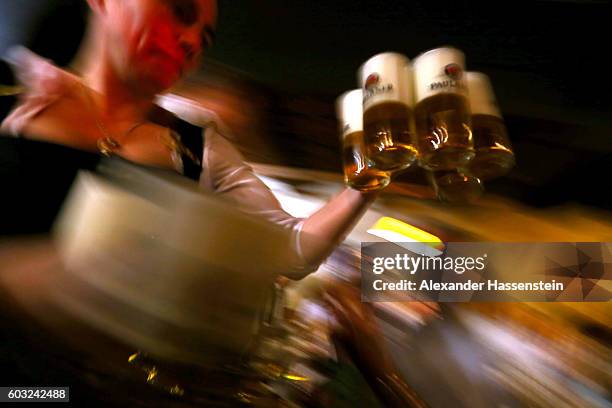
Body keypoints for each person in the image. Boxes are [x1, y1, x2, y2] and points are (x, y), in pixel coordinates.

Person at [0, 0, 377, 278]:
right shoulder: (15, 90)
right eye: (180, 10)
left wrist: (368, 178)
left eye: (206, 38)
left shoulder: (200, 148)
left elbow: (291, 251)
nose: (193, 41)